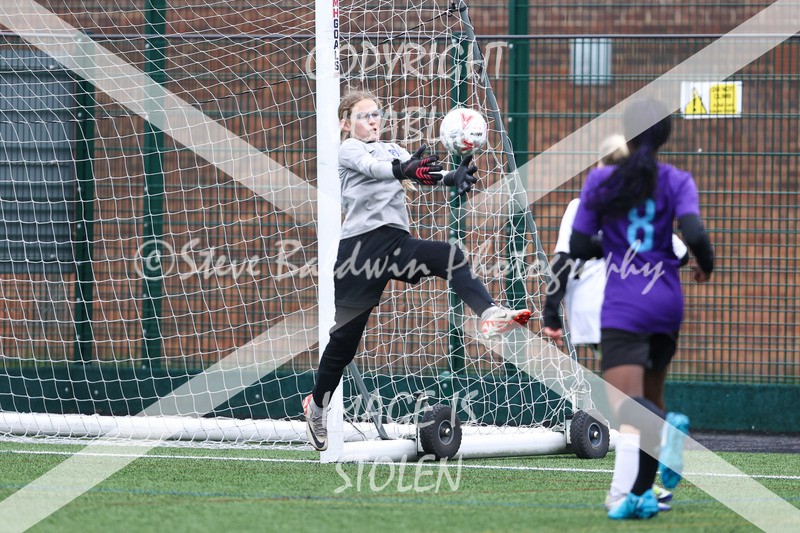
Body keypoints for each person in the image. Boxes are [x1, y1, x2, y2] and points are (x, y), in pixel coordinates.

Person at [303, 90, 532, 451]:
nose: (373, 120)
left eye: (376, 114)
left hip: (396, 244)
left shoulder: (393, 149)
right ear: (347, 123)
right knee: (344, 343)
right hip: (359, 252)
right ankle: (317, 405)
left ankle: (489, 313)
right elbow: (377, 170)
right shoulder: (348, 149)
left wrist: (451, 176)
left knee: (450, 256)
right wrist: (404, 169)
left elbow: (421, 171)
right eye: (364, 116)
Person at [569, 99, 714, 520]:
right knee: (651, 399)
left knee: (625, 406)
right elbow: (694, 233)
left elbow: (578, 246)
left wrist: (612, 246)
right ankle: (640, 495)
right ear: (666, 135)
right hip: (667, 304)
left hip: (625, 307)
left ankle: (667, 434)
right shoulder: (677, 180)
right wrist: (707, 265)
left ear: (626, 134)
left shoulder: (602, 182)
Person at [542, 133, 689, 513]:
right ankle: (641, 484)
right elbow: (683, 252)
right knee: (637, 401)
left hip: (604, 312)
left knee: (628, 406)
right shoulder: (646, 203)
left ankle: (627, 490)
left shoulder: (583, 203)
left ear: (597, 167)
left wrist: (550, 312)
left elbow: (563, 261)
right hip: (647, 308)